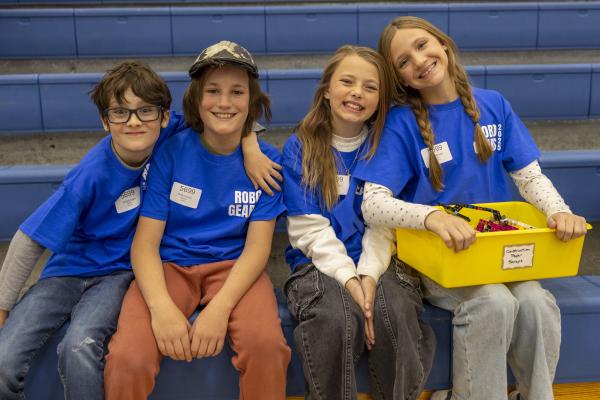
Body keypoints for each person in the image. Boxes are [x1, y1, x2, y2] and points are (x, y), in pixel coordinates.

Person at [0, 59, 279, 400]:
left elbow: (227, 114)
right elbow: (29, 240)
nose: (134, 121)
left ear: (163, 117)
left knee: (78, 347)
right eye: (120, 113)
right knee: (15, 357)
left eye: (144, 112)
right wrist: (2, 306)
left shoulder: (174, 134)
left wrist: (250, 146)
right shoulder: (96, 172)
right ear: (106, 121)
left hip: (123, 272)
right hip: (85, 270)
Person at [354, 16, 588, 400]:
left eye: (421, 45)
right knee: (493, 302)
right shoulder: (401, 123)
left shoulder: (493, 105)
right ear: (402, 79)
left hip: (499, 255)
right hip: (443, 259)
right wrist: (431, 217)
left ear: (442, 43)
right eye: (403, 61)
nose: (418, 60)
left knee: (537, 304)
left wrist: (558, 210)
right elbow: (373, 204)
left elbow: (529, 177)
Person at [103, 41, 291, 400]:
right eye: (213, 91)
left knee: (266, 345)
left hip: (236, 269)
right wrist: (160, 309)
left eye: (237, 92)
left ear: (251, 101)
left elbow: (257, 248)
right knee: (128, 356)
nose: (224, 102)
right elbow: (145, 244)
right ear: (196, 98)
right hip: (172, 266)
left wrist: (219, 310)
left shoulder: (266, 163)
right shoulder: (171, 151)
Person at [282, 45, 435, 400]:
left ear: (381, 100)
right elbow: (309, 230)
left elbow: (383, 224)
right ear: (326, 91)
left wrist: (367, 276)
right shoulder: (300, 147)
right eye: (347, 82)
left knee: (394, 312)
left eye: (370, 87)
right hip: (317, 264)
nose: (357, 93)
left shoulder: (387, 144)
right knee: (334, 318)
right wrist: (351, 283)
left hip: (382, 260)